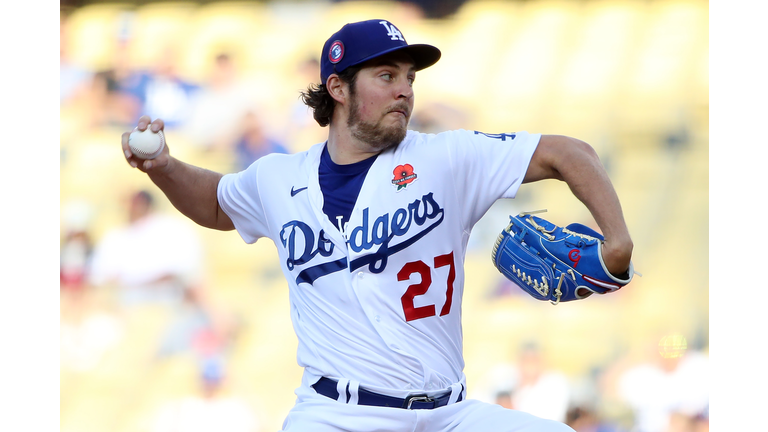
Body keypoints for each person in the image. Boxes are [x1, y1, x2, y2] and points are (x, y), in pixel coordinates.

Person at [121, 19, 633, 432]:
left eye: (409, 78)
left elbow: (570, 153)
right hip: (337, 416)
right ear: (338, 87)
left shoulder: (447, 158)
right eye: (386, 76)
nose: (404, 90)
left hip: (448, 414)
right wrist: (165, 167)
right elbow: (215, 203)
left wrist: (617, 243)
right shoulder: (278, 178)